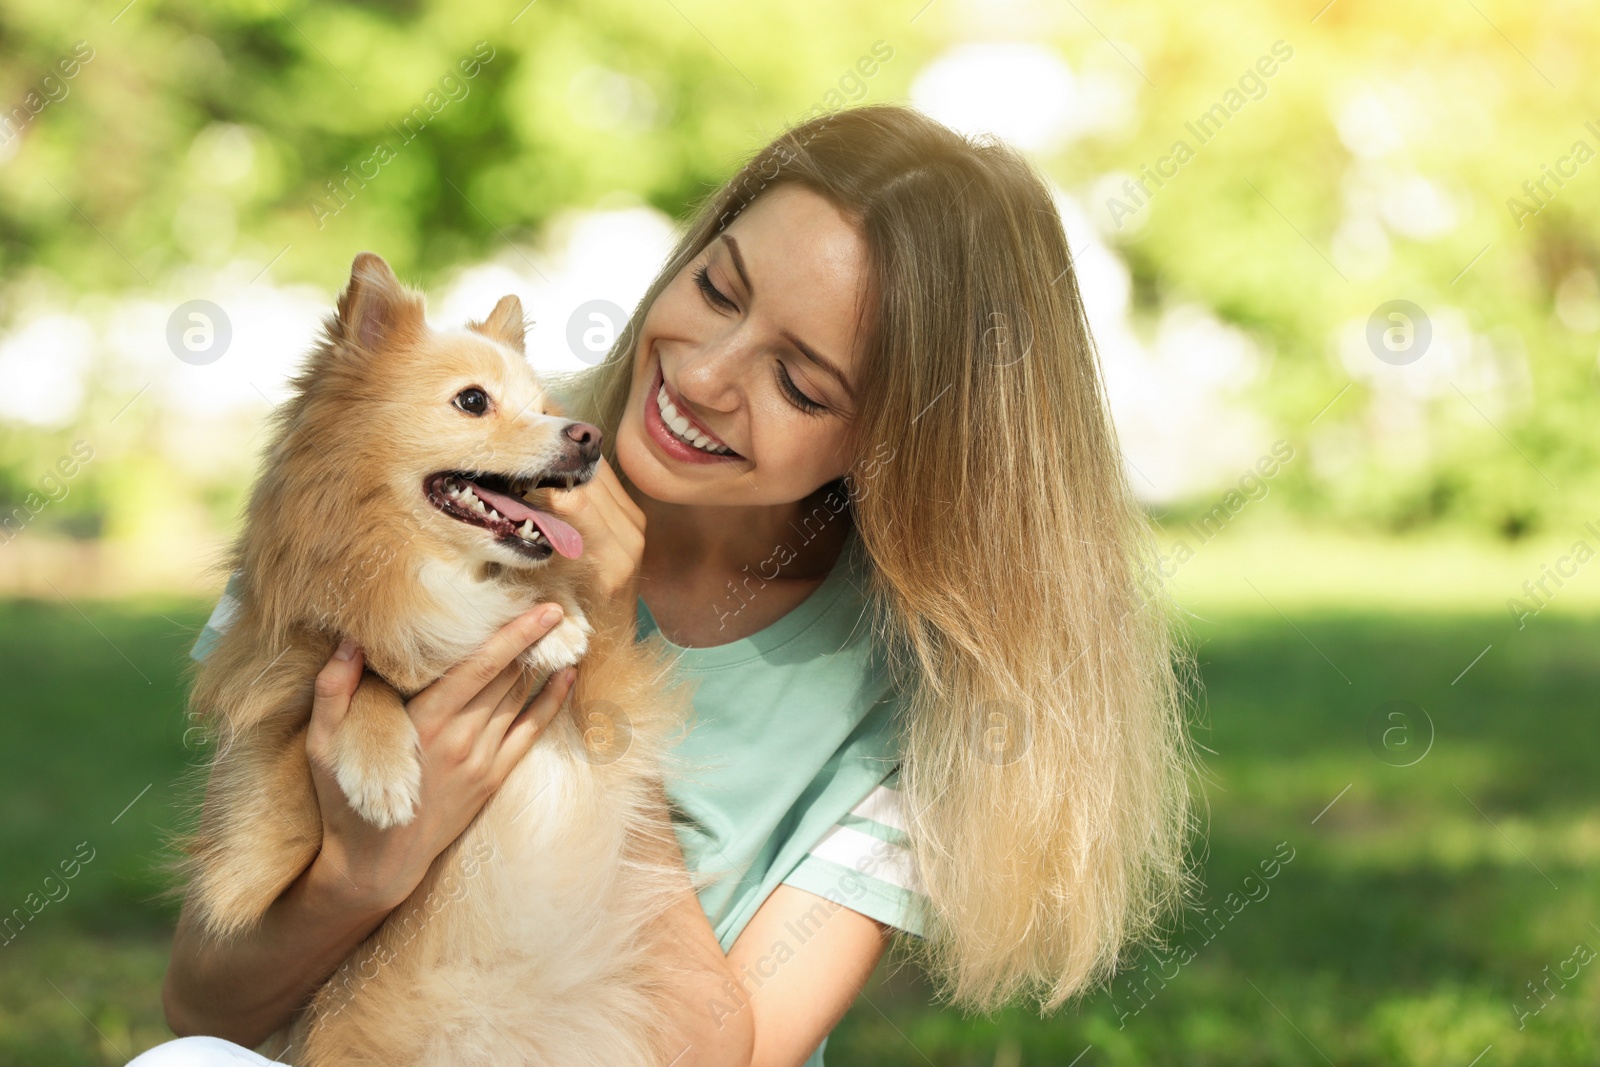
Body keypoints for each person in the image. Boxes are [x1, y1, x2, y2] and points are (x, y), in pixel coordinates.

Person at [139, 103, 1199, 1066]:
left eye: (796, 379)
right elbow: (206, 1001)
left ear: (901, 443)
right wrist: (362, 874)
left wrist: (604, 633)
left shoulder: (916, 697)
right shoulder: (402, 501)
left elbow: (712, 1050)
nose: (700, 376)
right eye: (717, 289)